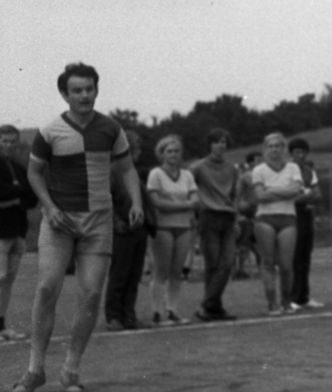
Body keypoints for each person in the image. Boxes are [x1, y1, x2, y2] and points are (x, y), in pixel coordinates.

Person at [10, 62, 146, 392]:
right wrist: (50, 207)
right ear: (65, 94)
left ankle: (70, 370)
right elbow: (34, 174)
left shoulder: (112, 129)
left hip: (99, 221)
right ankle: (34, 370)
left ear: (96, 90)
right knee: (46, 289)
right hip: (60, 222)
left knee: (90, 294)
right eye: (77, 90)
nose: (84, 95)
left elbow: (127, 168)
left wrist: (137, 202)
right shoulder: (50, 131)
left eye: (89, 89)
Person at [0, 125, 35, 344]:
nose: (8, 145)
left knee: (10, 278)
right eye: (4, 141)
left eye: (13, 141)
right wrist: (18, 192)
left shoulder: (18, 167)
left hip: (17, 228)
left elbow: (32, 198)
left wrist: (14, 197)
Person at [145, 133, 199, 325]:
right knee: (161, 271)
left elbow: (195, 200)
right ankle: (158, 313)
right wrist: (184, 204)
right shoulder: (156, 174)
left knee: (177, 272)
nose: (173, 154)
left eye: (176, 151)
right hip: (163, 227)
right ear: (162, 153)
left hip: (184, 227)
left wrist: (176, 205)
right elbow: (156, 202)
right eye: (169, 151)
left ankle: (172, 310)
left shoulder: (187, 175)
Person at [103, 129, 153, 331]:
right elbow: (108, 201)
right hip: (121, 231)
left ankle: (129, 316)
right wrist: (117, 223)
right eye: (137, 147)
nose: (139, 151)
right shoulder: (112, 171)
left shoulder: (133, 173)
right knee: (119, 275)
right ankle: (113, 317)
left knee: (134, 276)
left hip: (138, 230)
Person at [249, 133, 304, 315]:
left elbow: (295, 190)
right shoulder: (259, 170)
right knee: (268, 262)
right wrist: (284, 191)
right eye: (271, 146)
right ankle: (272, 303)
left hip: (288, 217)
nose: (274, 149)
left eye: (278, 146)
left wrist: (271, 190)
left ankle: (286, 301)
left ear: (284, 149)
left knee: (286, 265)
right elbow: (259, 196)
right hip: (265, 218)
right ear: (265, 149)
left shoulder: (293, 167)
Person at [191, 129, 240, 321]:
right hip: (209, 217)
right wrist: (197, 209)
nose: (221, 146)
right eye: (217, 142)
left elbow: (235, 194)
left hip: (227, 218)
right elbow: (189, 187)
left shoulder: (232, 169)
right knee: (213, 265)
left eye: (224, 142)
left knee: (226, 264)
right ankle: (214, 307)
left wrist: (236, 217)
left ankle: (207, 304)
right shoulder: (198, 167)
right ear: (209, 145)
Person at [287, 137, 324, 309]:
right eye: (297, 152)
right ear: (291, 154)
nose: (300, 156)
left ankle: (303, 296)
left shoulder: (309, 170)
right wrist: (307, 196)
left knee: (305, 256)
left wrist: (305, 196)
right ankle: (292, 297)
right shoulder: (286, 170)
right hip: (293, 215)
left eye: (303, 152)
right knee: (295, 256)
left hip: (307, 214)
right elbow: (290, 198)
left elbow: (318, 194)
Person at [233, 151, 261, 280]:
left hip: (255, 212)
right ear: (250, 163)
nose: (262, 163)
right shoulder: (248, 175)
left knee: (254, 242)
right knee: (248, 240)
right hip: (247, 212)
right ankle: (240, 269)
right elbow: (260, 188)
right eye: (258, 161)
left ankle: (245, 269)